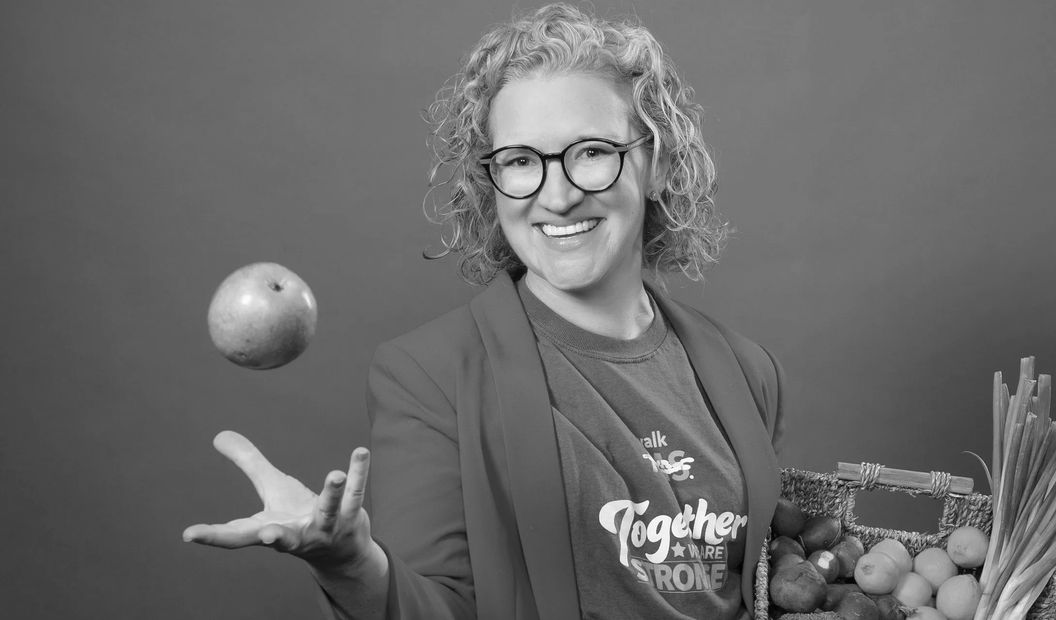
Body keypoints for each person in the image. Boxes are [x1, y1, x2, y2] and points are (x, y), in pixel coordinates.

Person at [184, 4, 786, 619]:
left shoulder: (746, 372)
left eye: (593, 152)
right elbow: (437, 609)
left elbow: (760, 585)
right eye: (521, 161)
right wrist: (350, 564)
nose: (557, 195)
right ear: (491, 181)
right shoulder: (431, 373)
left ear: (655, 161)